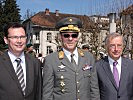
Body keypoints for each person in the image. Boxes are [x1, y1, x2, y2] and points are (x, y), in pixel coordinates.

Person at [42, 17, 100, 100]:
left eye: (74, 35)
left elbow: (94, 89)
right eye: (66, 35)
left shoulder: (89, 58)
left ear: (78, 37)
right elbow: (47, 93)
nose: (70, 39)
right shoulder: (51, 60)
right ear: (60, 37)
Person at [0, 22, 42, 100]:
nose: (19, 41)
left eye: (22, 37)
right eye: (15, 37)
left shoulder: (34, 63)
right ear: (6, 40)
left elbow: (38, 93)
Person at [95, 33, 133, 100]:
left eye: (119, 45)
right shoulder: (97, 67)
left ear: (123, 47)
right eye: (112, 46)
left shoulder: (131, 66)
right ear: (106, 47)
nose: (116, 49)